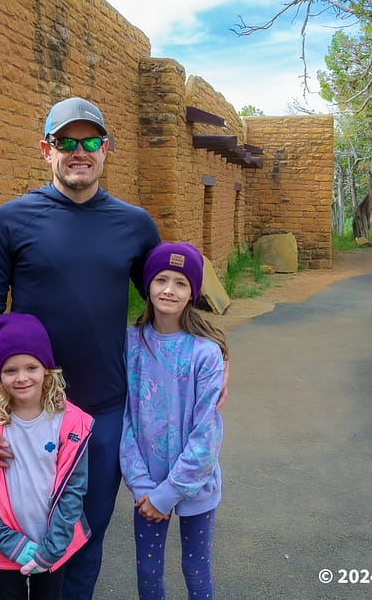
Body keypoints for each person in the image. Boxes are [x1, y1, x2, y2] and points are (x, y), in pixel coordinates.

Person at [0, 96, 162, 599]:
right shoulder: (10, 221)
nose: (78, 151)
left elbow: (167, 304)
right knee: (5, 538)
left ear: (105, 149)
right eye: (65, 141)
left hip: (102, 412)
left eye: (89, 141)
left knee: (81, 542)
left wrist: (214, 360)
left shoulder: (134, 225)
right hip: (23, 412)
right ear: (45, 149)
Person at [120, 241, 227, 600]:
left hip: (194, 487)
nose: (169, 289)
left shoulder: (205, 353)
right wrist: (141, 484)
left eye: (181, 283)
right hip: (146, 486)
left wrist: (169, 493)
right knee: (148, 573)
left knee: (196, 570)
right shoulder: (131, 344)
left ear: (193, 292)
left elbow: (206, 433)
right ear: (148, 285)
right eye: (161, 279)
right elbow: (126, 418)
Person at [0, 312, 93, 600]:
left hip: (52, 544)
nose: (22, 378)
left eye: (31, 367)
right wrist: (8, 542)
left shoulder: (71, 423)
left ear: (46, 369)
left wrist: (53, 547)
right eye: (10, 370)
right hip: (6, 545)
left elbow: (74, 490)